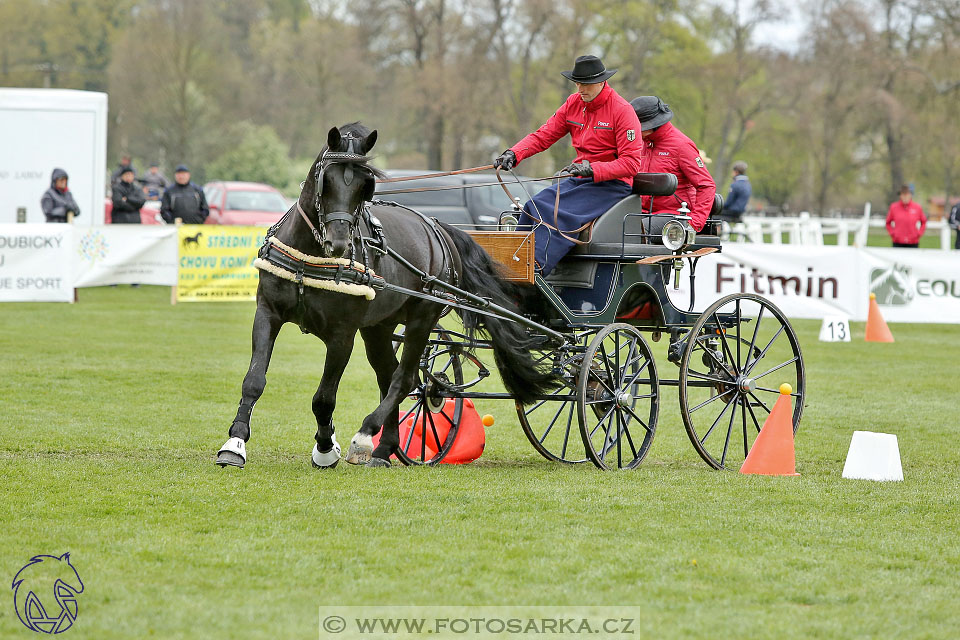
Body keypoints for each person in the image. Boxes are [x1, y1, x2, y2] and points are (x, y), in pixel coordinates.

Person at [493, 55, 643, 276]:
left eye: (586, 83)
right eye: (578, 82)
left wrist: (593, 169)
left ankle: (535, 268)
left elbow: (631, 164)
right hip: (581, 179)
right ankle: (512, 264)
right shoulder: (573, 103)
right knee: (534, 205)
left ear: (602, 82)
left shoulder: (622, 110)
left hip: (611, 185)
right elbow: (544, 135)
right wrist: (514, 153)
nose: (580, 88)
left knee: (553, 212)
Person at [630, 96, 715, 234]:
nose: (635, 131)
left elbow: (706, 185)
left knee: (632, 231)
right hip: (639, 211)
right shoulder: (639, 143)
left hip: (672, 214)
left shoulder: (681, 145)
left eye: (638, 127)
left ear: (653, 125)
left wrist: (693, 224)